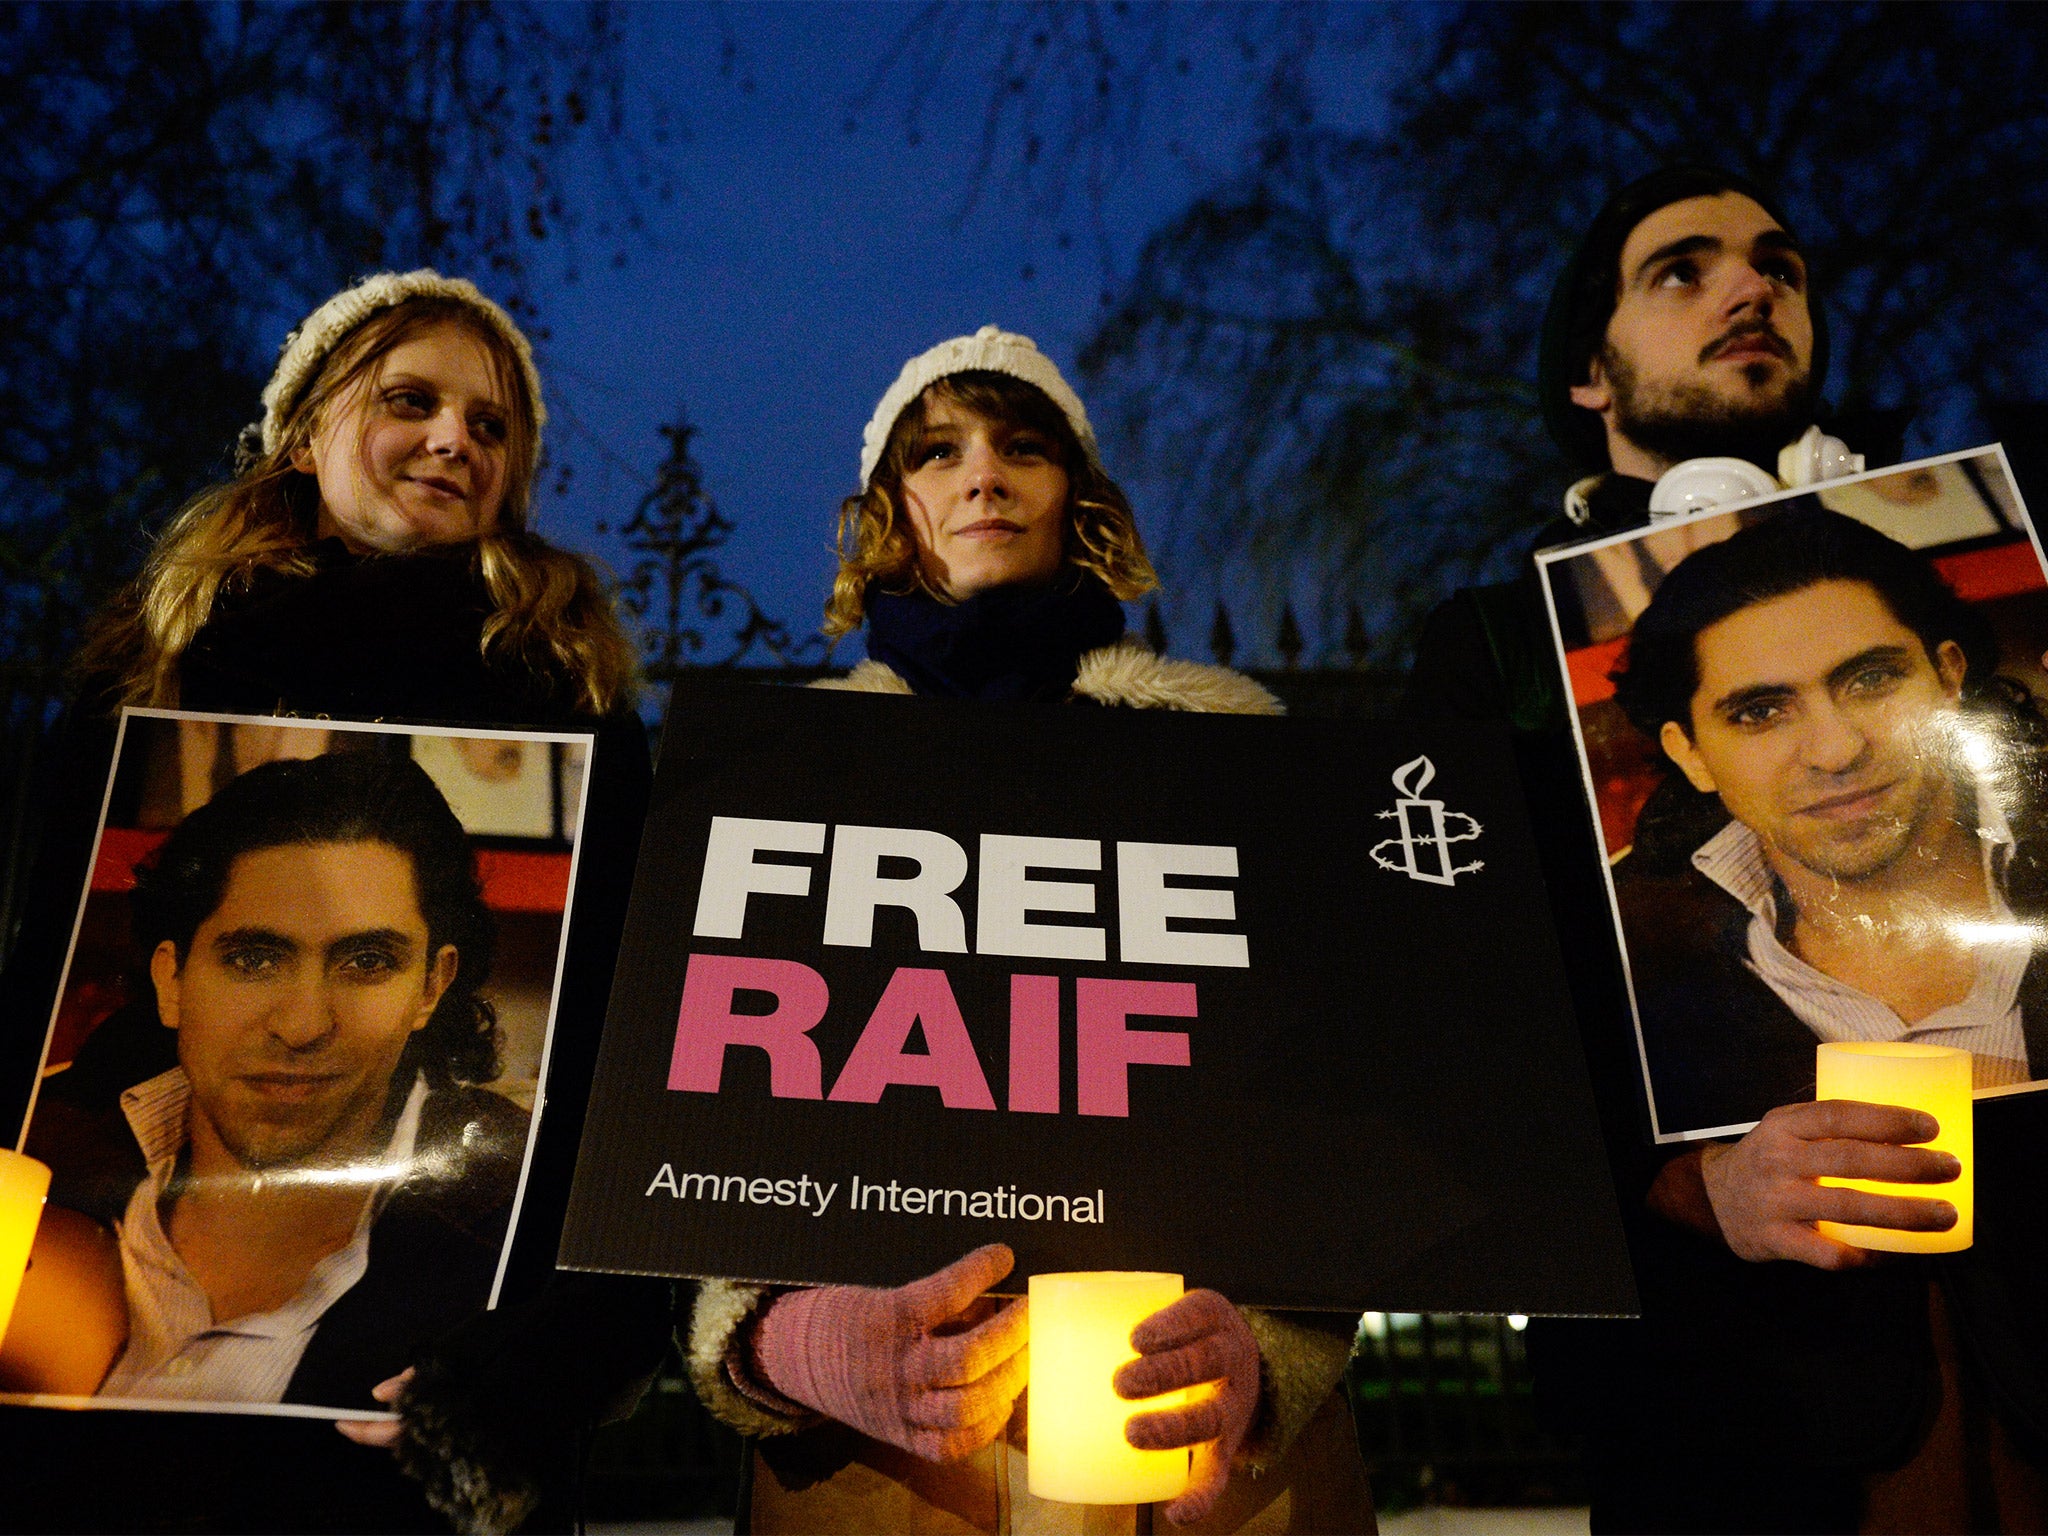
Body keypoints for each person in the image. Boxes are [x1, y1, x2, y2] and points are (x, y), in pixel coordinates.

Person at [1405, 165, 2048, 1531]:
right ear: (1592, 372)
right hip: (1737, 1430)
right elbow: (1454, 1048)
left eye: (1780, 266)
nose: (1752, 287)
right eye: (1681, 271)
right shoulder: (1494, 655)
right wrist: (1690, 1187)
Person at [0, 271, 667, 1533]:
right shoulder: (145, 679)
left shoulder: (578, 716)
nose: (452, 440)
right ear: (303, 431)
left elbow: (628, 1104)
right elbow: (25, 989)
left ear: (436, 982)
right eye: (409, 400)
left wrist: (533, 1376)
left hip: (411, 1466)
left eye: (490, 425)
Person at [683, 326, 1373, 1535]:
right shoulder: (785, 769)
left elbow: (1338, 1099)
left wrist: (1271, 1344)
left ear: (1080, 498)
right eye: (937, 452)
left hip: (1183, 1446)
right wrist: (777, 1338)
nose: (982, 476)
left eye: (1022, 447)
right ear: (889, 509)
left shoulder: (1230, 752)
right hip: (878, 1471)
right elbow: (700, 1100)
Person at [28, 751, 530, 1407]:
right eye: (255, 958)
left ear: (431, 987)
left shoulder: (515, 1246)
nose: (302, 1025)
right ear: (170, 980)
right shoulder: (34, 1164)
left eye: (367, 961)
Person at [1611, 507, 2048, 1136]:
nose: (1836, 750)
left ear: (1949, 676)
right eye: (1760, 713)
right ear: (1691, 755)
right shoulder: (1626, 959)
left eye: (1871, 679)